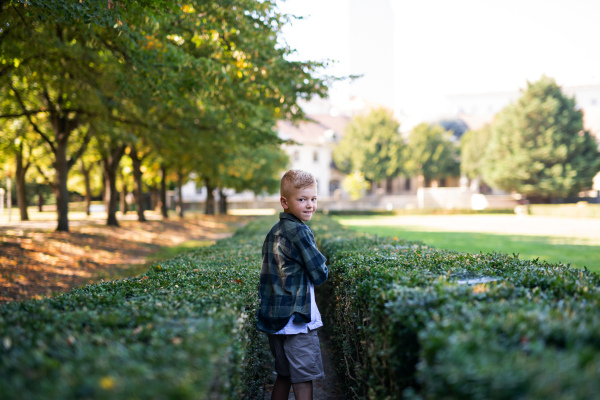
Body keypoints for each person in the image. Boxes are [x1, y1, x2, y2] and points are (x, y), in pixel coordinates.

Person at [257, 169, 329, 400]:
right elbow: (320, 274)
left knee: (284, 375)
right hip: (297, 319)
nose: (310, 205)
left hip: (275, 318)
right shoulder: (300, 231)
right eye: (302, 199)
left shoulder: (274, 231)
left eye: (313, 199)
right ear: (284, 202)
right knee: (303, 379)